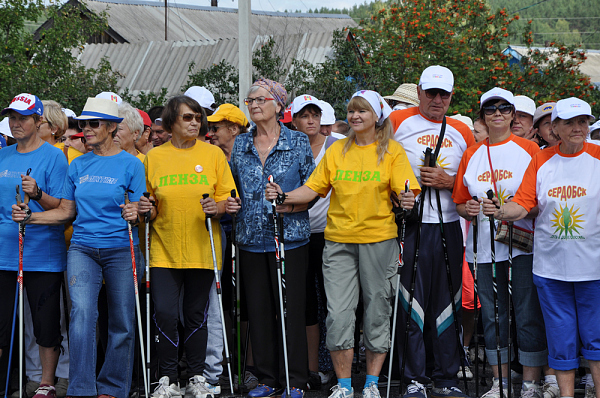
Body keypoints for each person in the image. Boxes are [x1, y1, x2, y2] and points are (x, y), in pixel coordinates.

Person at [265, 89, 420, 398]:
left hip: (379, 241)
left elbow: (407, 193)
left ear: (377, 116)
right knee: (338, 314)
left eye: (362, 110)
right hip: (339, 243)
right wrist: (284, 196)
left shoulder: (391, 151)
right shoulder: (337, 151)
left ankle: (373, 384)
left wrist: (407, 198)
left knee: (377, 310)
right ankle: (345, 385)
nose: (355, 116)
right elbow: (311, 190)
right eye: (351, 110)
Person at [12, 97, 146, 398]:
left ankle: (112, 387)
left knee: (122, 320)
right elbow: (66, 212)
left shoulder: (132, 164)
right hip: (83, 248)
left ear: (112, 127)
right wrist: (31, 217)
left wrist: (136, 213)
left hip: (121, 249)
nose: (85, 129)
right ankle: (82, 388)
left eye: (93, 123)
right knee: (82, 316)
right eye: (83, 123)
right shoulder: (78, 164)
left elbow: (139, 209)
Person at [481, 97, 600, 398]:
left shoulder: (598, 156)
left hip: (593, 268)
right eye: (570, 122)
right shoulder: (542, 159)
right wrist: (500, 210)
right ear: (555, 127)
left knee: (596, 340)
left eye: (583, 121)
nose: (578, 128)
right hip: (551, 268)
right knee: (561, 340)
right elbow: (522, 203)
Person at [137, 95, 236, 398]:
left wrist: (217, 208)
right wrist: (145, 207)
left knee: (196, 314)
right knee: (165, 313)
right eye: (187, 118)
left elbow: (229, 201)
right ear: (170, 122)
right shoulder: (154, 157)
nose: (195, 123)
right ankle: (168, 378)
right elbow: (148, 205)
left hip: (202, 246)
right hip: (163, 247)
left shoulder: (213, 155)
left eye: (197, 118)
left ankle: (196, 376)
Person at [453, 88, 547, 398]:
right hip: (482, 246)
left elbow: (539, 203)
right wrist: (468, 209)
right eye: (490, 109)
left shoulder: (530, 150)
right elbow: (460, 202)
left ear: (513, 114)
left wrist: (508, 210)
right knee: (493, 314)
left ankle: (531, 383)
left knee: (527, 311)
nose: (497, 114)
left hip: (523, 244)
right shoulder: (472, 153)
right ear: (481, 116)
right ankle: (500, 383)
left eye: (504, 108)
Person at [388, 65, 475, 398]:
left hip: (450, 224)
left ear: (451, 96)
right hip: (411, 225)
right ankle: (414, 377)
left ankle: (447, 375)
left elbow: (471, 179)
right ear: (420, 92)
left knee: (448, 300)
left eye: (444, 94)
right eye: (431, 93)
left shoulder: (460, 131)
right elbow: (381, 164)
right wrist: (400, 193)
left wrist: (448, 182)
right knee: (412, 300)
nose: (437, 100)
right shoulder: (398, 122)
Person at [225, 78, 314, 398]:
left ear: (278, 105)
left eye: (260, 99)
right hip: (250, 237)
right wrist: (231, 202)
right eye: (249, 101)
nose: (254, 105)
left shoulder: (299, 142)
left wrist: (287, 199)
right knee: (260, 310)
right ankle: (266, 378)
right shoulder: (241, 145)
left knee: (291, 309)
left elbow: (314, 190)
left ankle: (295, 379)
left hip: (289, 237)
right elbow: (232, 187)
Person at [1, 93, 68, 398]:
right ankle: (8, 382)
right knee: (3, 323)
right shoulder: (3, 155)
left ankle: (46, 382)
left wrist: (38, 196)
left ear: (39, 121)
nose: (16, 123)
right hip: (4, 250)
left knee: (45, 322)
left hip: (42, 252)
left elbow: (64, 207)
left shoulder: (54, 156)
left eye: (23, 118)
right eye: (12, 117)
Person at [289, 94, 334, 390]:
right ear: (293, 120)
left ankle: (333, 369)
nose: (310, 120)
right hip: (300, 233)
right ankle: (310, 370)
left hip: (331, 234)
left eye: (314, 115)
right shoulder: (288, 148)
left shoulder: (338, 146)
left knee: (334, 303)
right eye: (304, 115)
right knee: (305, 302)